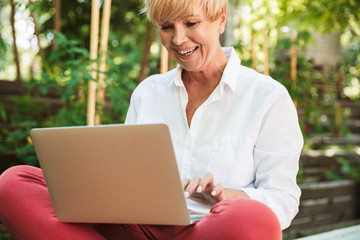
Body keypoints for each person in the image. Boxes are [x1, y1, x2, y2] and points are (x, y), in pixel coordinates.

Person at [0, 0, 303, 239]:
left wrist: (226, 196)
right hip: (136, 229)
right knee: (13, 183)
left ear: (220, 18)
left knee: (253, 219)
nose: (178, 39)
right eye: (167, 27)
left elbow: (283, 200)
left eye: (191, 23)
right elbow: (127, 178)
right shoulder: (148, 92)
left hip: (210, 230)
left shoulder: (267, 97)